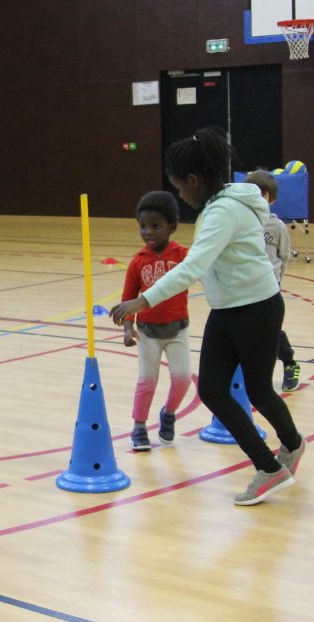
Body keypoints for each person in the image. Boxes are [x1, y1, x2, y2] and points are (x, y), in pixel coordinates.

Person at [109, 128, 306, 506]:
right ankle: (278, 459)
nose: (180, 195)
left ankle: (282, 456)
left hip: (256, 308)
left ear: (194, 180)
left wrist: (141, 301)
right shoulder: (225, 202)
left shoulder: (223, 212)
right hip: (227, 309)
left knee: (259, 390)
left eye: (180, 187)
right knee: (213, 390)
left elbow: (192, 267)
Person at [120, 191, 192, 452]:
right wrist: (128, 327)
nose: (148, 232)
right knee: (147, 380)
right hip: (148, 332)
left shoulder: (183, 256)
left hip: (178, 329)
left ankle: (169, 413)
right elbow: (128, 298)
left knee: (183, 378)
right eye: (143, 226)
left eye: (155, 226)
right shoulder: (138, 262)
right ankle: (139, 425)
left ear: (171, 227)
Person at [243, 170, 300, 391]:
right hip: (245, 287)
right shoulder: (241, 223)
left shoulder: (277, 226)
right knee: (248, 332)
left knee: (270, 331)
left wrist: (277, 280)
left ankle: (289, 362)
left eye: (262, 194)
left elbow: (284, 256)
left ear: (271, 198)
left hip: (269, 288)